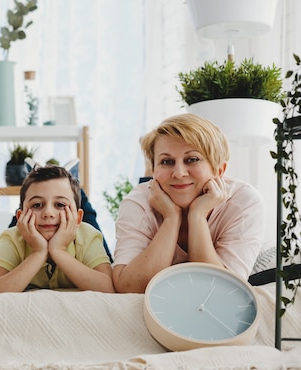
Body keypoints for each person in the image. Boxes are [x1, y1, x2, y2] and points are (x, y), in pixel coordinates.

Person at [112, 113, 265, 293]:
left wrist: (197, 216)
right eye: (166, 161)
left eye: (192, 159)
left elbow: (221, 293)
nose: (178, 173)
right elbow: (128, 287)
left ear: (219, 170)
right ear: (153, 171)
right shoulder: (138, 203)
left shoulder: (244, 203)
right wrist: (171, 218)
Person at [0, 165, 114, 293]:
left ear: (78, 218)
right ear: (20, 217)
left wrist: (58, 251)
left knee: (84, 203)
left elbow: (108, 288)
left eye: (60, 204)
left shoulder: (89, 235)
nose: (48, 213)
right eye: (37, 205)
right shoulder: (10, 238)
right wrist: (38, 252)